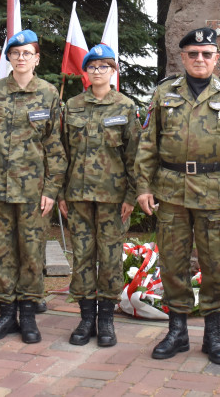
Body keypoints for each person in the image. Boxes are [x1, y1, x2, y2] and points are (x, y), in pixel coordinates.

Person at [135, 26, 220, 365]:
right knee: (173, 263)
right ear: (182, 57)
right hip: (171, 191)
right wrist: (143, 186)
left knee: (215, 263)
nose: (199, 59)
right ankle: (177, 331)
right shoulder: (164, 93)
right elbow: (147, 144)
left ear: (216, 58)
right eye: (193, 54)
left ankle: (213, 335)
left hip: (214, 192)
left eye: (206, 54)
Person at [0, 30, 67, 344]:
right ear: (9, 58)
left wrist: (52, 190)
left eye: (28, 53)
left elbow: (55, 146)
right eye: (16, 53)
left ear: (37, 58)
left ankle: (27, 316)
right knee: (1, 254)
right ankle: (5, 315)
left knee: (31, 254)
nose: (22, 57)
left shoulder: (49, 94)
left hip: (34, 193)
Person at [59, 44, 140, 347]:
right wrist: (61, 193)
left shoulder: (125, 106)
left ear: (113, 71)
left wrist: (132, 197)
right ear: (86, 71)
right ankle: (84, 319)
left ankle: (106, 319)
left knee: (109, 258)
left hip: (113, 198)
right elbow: (62, 153)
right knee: (81, 257)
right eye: (92, 67)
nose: (97, 72)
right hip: (78, 197)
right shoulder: (73, 105)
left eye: (103, 67)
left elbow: (134, 156)